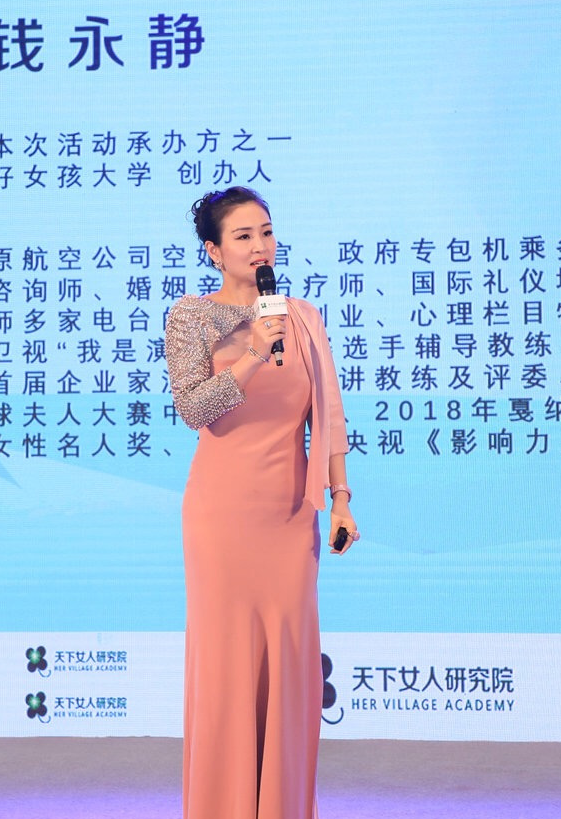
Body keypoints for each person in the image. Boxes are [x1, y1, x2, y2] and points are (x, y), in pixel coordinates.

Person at [165, 186, 358, 819]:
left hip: (289, 518)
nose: (260, 246)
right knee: (227, 671)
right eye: (243, 236)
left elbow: (328, 414)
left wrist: (340, 498)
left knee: (289, 671)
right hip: (221, 518)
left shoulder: (301, 317)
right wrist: (253, 352)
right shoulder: (191, 317)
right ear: (213, 251)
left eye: (267, 233)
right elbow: (196, 408)